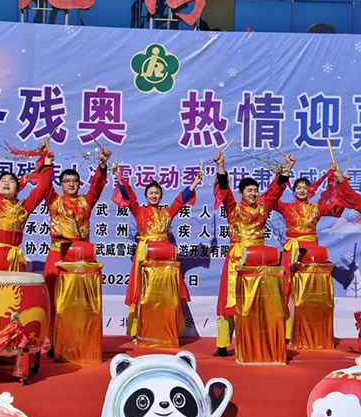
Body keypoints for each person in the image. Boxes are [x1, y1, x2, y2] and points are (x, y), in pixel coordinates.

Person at [213, 151, 294, 357]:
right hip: (237, 260)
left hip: (259, 260)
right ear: (241, 193)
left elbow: (274, 191)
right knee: (230, 302)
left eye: (255, 190)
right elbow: (224, 190)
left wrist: (288, 168)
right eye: (249, 190)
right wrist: (221, 166)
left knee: (258, 301)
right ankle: (222, 344)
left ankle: (257, 341)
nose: (253, 193)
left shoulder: (263, 208)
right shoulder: (233, 208)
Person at [111, 165, 202, 341]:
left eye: (157, 193)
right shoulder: (139, 210)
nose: (154, 195)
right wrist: (120, 178)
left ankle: (165, 330)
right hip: (144, 256)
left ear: (161, 196)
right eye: (151, 193)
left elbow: (179, 200)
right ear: (146, 196)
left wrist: (195, 183)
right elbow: (129, 196)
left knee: (164, 293)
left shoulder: (167, 213)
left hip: (164, 259)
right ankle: (140, 331)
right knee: (143, 293)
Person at [42, 147, 111, 353]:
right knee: (55, 300)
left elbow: (97, 186)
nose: (71, 184)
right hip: (58, 255)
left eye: (74, 181)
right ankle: (55, 342)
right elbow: (44, 185)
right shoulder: (54, 200)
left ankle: (79, 341)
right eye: (67, 181)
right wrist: (47, 163)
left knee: (79, 301)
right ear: (61, 184)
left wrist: (102, 165)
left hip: (80, 256)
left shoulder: (85, 202)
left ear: (79, 184)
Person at [0, 149, 54, 271]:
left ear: (17, 189)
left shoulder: (23, 207)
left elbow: (42, 188)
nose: (6, 183)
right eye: (3, 180)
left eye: (11, 181)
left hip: (12, 259)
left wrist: (47, 165)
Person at [274, 164, 343, 303]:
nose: (302, 190)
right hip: (292, 248)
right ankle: (287, 312)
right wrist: (281, 177)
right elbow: (272, 199)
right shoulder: (286, 207)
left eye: (305, 188)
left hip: (310, 248)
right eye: (298, 188)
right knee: (289, 280)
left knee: (309, 280)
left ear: (310, 191)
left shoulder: (316, 208)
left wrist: (341, 185)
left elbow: (336, 209)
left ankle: (309, 310)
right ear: (294, 191)